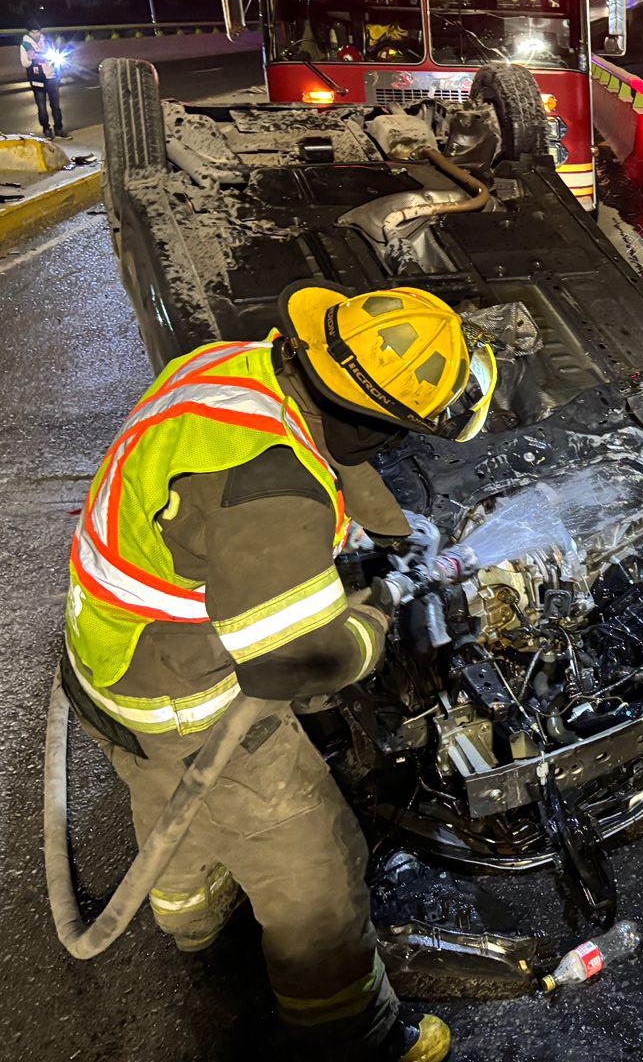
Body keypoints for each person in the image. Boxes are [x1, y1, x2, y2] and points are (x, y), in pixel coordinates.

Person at [61, 281, 497, 1060]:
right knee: (315, 872)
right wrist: (377, 607)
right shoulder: (273, 494)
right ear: (372, 422)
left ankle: (188, 912)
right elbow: (297, 661)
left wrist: (391, 532)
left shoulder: (240, 368)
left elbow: (328, 449)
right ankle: (355, 1035)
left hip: (102, 650)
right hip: (179, 690)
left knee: (160, 788)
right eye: (396, 432)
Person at [20, 20, 68, 139]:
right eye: (33, 32)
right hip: (37, 79)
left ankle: (59, 128)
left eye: (38, 32)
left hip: (51, 77)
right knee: (41, 107)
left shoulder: (46, 41)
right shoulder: (25, 45)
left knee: (56, 106)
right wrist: (31, 59)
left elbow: (55, 55)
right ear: (29, 32)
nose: (36, 34)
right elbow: (24, 63)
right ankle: (46, 129)